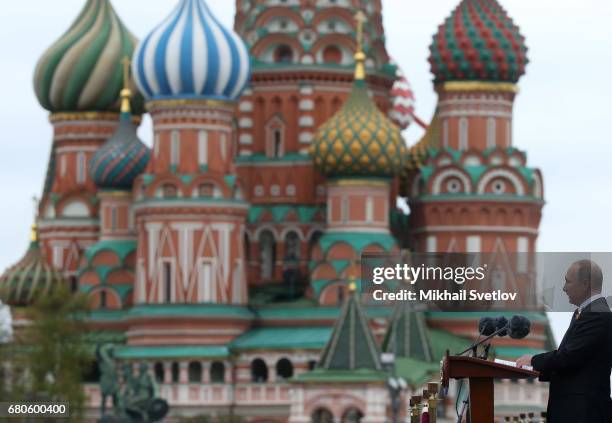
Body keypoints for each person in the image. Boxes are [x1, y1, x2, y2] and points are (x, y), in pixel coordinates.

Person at [516, 260, 612, 422]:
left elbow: (569, 356)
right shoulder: (584, 312)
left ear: (585, 284)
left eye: (568, 281)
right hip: (575, 410)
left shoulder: (597, 314)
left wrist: (533, 360)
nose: (564, 288)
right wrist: (532, 370)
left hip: (584, 412)